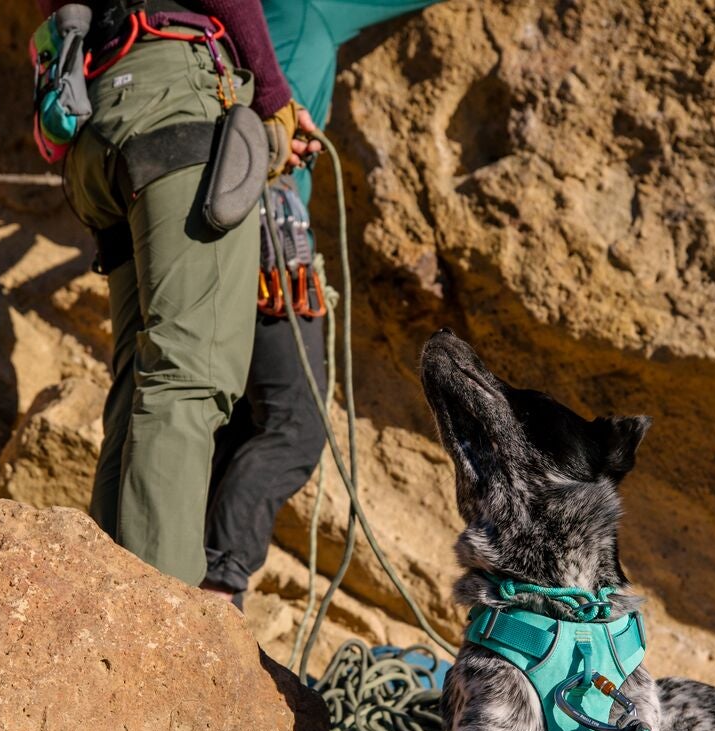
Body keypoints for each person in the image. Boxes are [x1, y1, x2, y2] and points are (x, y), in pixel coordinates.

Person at [36, 0, 321, 587]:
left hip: (95, 113)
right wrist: (273, 99)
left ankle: (105, 602)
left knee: (139, 385)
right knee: (186, 377)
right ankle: (158, 616)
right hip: (175, 98)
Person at [198, 0, 445, 606]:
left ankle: (187, 567)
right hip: (267, 223)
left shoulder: (220, 20)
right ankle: (218, 585)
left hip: (208, 215)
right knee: (295, 426)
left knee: (234, 418)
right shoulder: (306, 8)